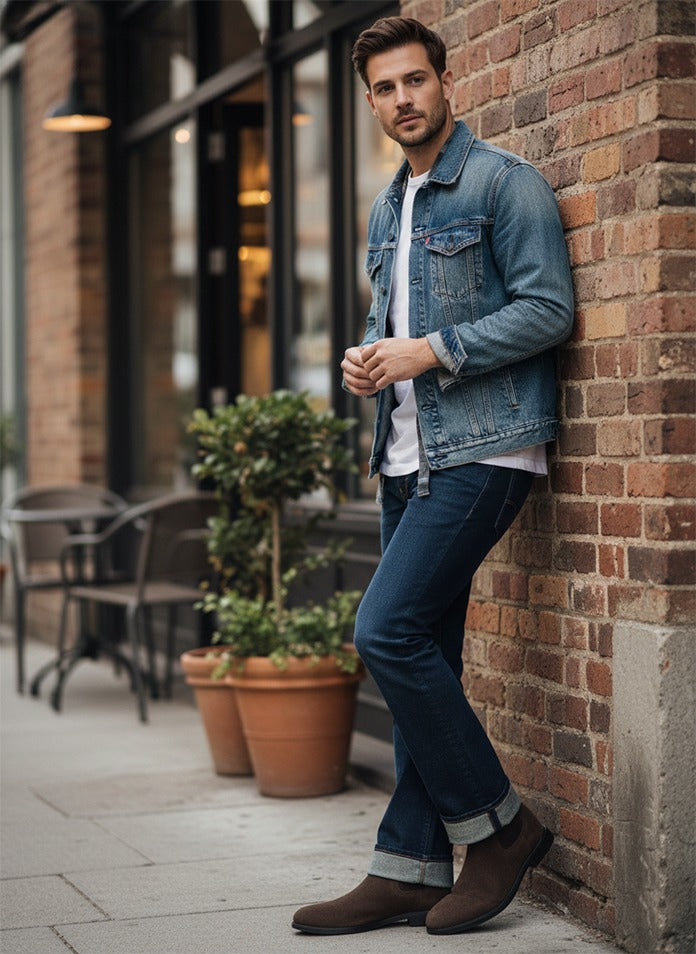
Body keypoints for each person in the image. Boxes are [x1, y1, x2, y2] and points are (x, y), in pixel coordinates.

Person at [292, 16, 574, 937]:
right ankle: (409, 864)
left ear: (446, 82)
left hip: (485, 450)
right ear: (369, 99)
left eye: (416, 80)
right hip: (404, 459)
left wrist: (430, 351)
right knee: (427, 653)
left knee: (385, 630)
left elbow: (547, 310)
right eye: (384, 87)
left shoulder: (502, 182)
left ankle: (500, 828)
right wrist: (372, 361)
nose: (402, 99)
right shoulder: (387, 206)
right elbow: (395, 330)